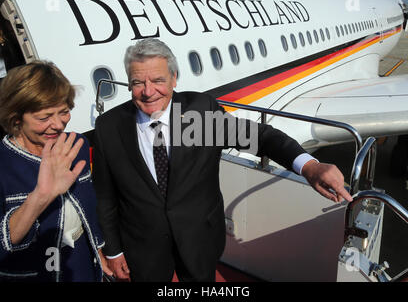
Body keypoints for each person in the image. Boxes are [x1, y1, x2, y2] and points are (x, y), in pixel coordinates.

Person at [93, 38, 353, 282]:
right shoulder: (109, 127)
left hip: (199, 239)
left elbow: (261, 137)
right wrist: (113, 251)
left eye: (158, 80)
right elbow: (105, 197)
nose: (149, 92)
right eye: (138, 82)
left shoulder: (200, 113)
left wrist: (309, 166)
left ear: (174, 79)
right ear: (129, 83)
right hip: (142, 246)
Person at [0, 61, 107, 282]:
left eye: (64, 112)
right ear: (16, 117)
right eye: (44, 117)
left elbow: (88, 206)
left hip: (81, 265)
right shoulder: (5, 165)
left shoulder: (75, 146)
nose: (58, 125)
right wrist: (40, 197)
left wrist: (99, 250)